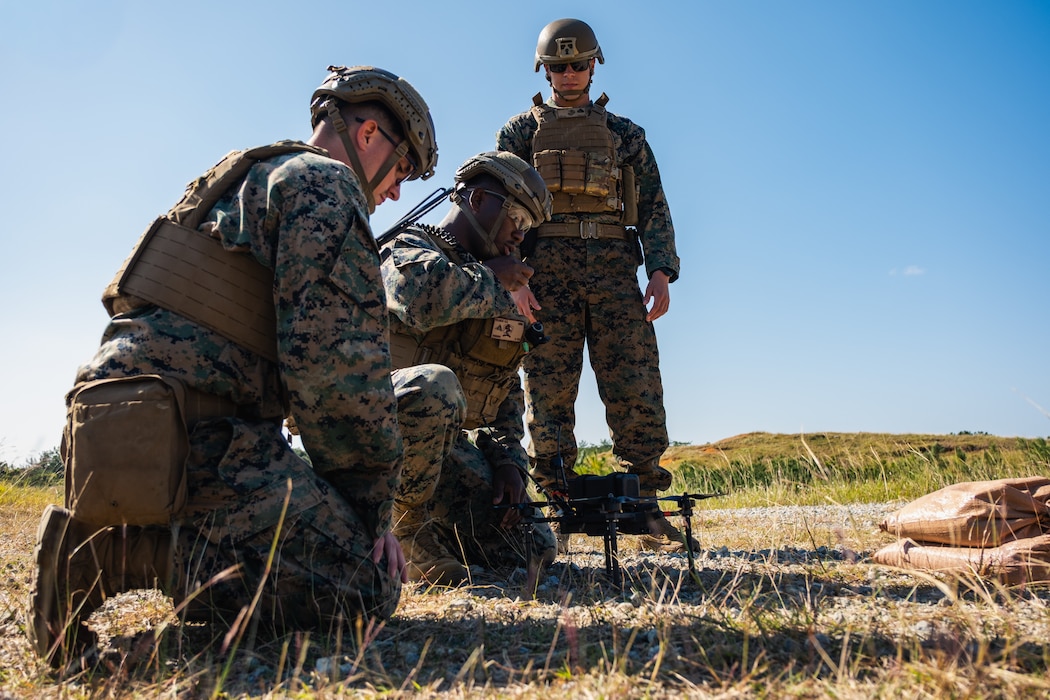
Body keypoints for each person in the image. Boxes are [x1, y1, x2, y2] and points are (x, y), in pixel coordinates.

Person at [28, 65, 438, 667]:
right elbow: (338, 379)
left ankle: (122, 540)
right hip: (203, 443)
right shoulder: (327, 186)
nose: (396, 191)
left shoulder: (237, 178)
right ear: (370, 132)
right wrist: (368, 515)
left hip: (107, 429)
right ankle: (109, 557)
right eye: (401, 169)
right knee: (367, 586)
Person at [496, 19, 697, 552]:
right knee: (548, 390)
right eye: (558, 66)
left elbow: (654, 207)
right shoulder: (519, 134)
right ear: (544, 70)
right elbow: (498, 212)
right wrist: (512, 279)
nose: (568, 74)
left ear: (594, 64)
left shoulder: (627, 135)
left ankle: (646, 509)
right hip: (544, 275)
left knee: (636, 387)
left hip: (613, 271)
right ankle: (558, 512)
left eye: (577, 64)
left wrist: (661, 271)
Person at [380, 152, 557, 586]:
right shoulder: (406, 248)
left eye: (528, 225)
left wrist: (509, 464)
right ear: (478, 200)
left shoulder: (494, 283)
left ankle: (431, 525)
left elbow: (503, 391)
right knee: (434, 384)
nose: (520, 232)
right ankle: (404, 531)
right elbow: (419, 297)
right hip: (370, 432)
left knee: (533, 545)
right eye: (516, 214)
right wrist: (491, 279)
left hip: (435, 450)